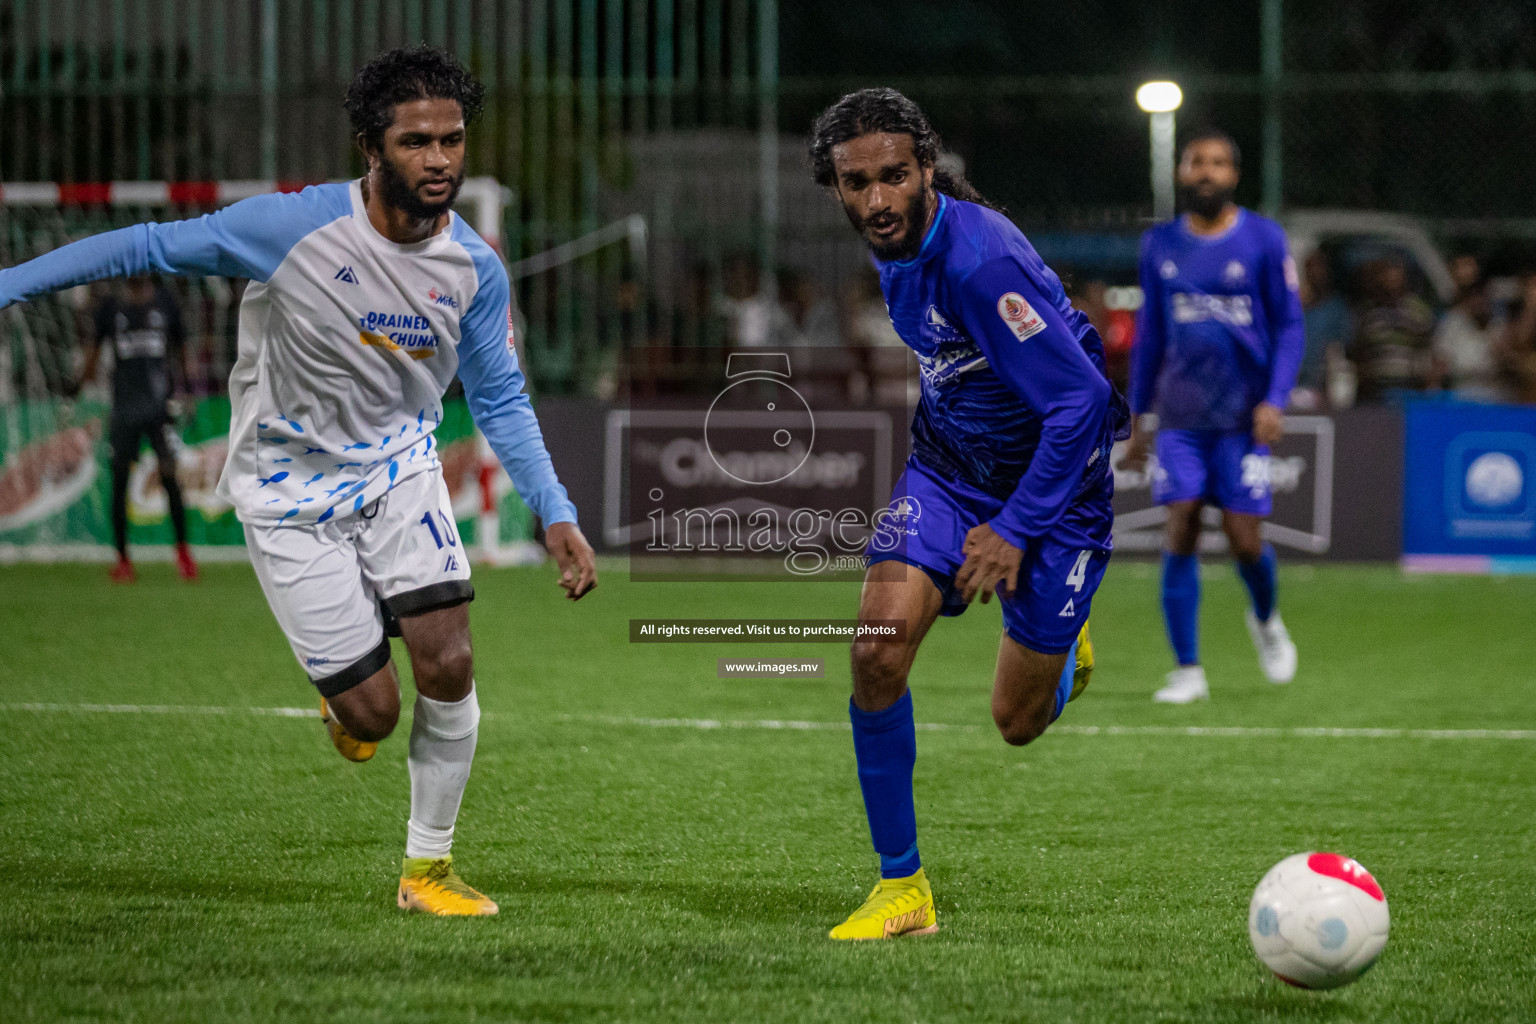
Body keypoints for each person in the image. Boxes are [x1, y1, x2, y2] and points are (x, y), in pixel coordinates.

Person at [0, 45, 598, 915]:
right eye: (416, 142)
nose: (440, 161)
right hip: (285, 495)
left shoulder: (474, 267)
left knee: (452, 657)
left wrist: (556, 512)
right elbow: (144, 243)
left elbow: (501, 397)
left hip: (400, 470)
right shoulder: (290, 229)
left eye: (453, 140)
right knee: (374, 716)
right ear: (371, 146)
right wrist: (11, 283)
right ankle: (346, 704)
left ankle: (426, 873)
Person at [808, 88, 1125, 940]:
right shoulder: (895, 245)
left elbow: (1083, 402)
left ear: (926, 168)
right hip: (947, 473)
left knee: (1015, 725)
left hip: (1056, 494)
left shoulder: (980, 264)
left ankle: (1066, 652)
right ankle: (901, 888)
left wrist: (1019, 526)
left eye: (894, 178)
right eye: (855, 183)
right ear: (834, 185)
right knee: (876, 653)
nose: (876, 200)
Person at [1118, 128, 1303, 704]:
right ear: (1180, 172)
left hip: (1244, 418)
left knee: (1247, 542)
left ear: (1234, 175)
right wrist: (1137, 415)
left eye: (1219, 163)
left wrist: (1275, 398)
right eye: (1197, 162)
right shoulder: (1159, 246)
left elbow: (1291, 326)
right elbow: (1149, 335)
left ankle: (1267, 620)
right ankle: (1188, 669)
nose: (1207, 172)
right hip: (1180, 416)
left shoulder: (1264, 241)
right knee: (1182, 522)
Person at [76, 275, 198, 582]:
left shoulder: (166, 301)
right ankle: (123, 560)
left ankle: (183, 553)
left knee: (170, 476)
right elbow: (92, 354)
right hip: (124, 409)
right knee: (119, 481)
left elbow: (183, 347)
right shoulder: (109, 308)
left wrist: (190, 391)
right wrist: (77, 389)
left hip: (160, 405)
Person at [1349, 255, 1436, 403]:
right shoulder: (1367, 314)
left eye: (1396, 276)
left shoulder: (1419, 312)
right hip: (1378, 390)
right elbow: (1360, 352)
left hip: (1410, 388)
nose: (1391, 281)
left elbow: (1428, 351)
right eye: (1387, 276)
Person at [1431, 255, 1509, 403]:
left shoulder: (1500, 325)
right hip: (1460, 396)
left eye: (1482, 296)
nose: (1478, 302)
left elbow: (1508, 366)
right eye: (1474, 297)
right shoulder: (1452, 323)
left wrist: (1502, 355)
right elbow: (1439, 363)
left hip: (1495, 397)